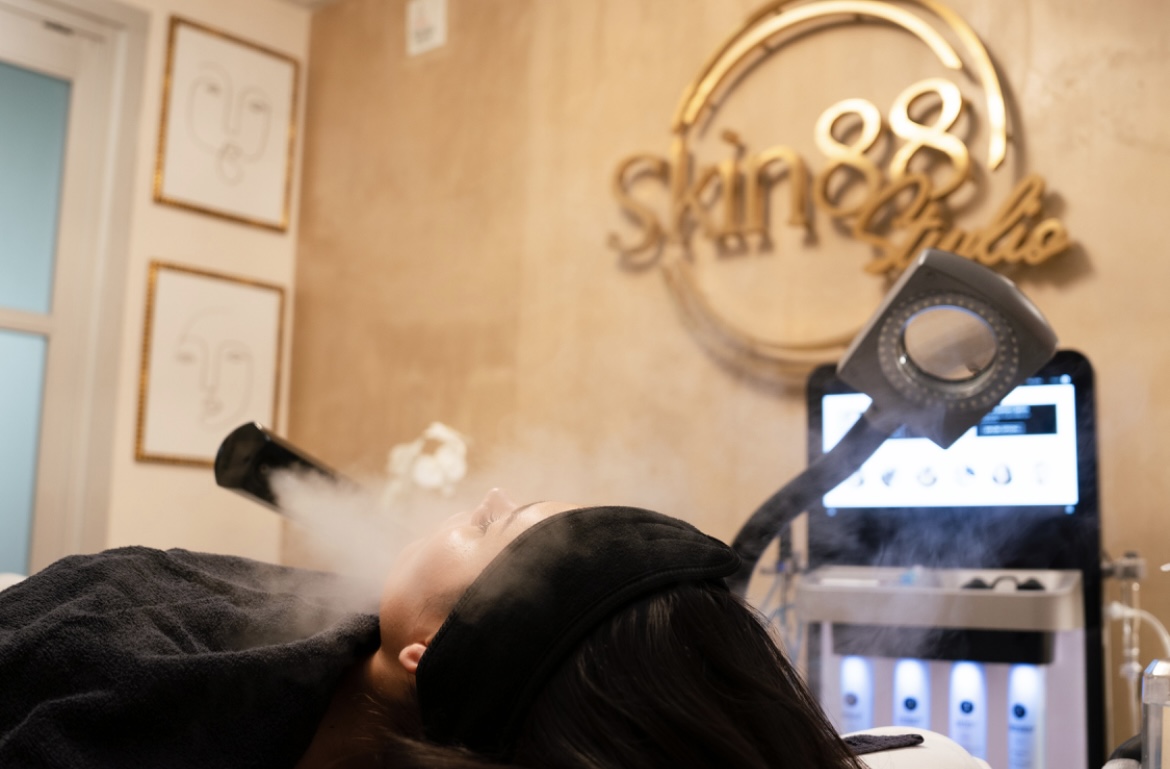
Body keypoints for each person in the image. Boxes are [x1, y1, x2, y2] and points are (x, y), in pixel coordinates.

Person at [0, 489, 872, 768]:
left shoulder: (124, 694)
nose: (485, 497)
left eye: (493, 527)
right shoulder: (350, 624)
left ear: (428, 653)